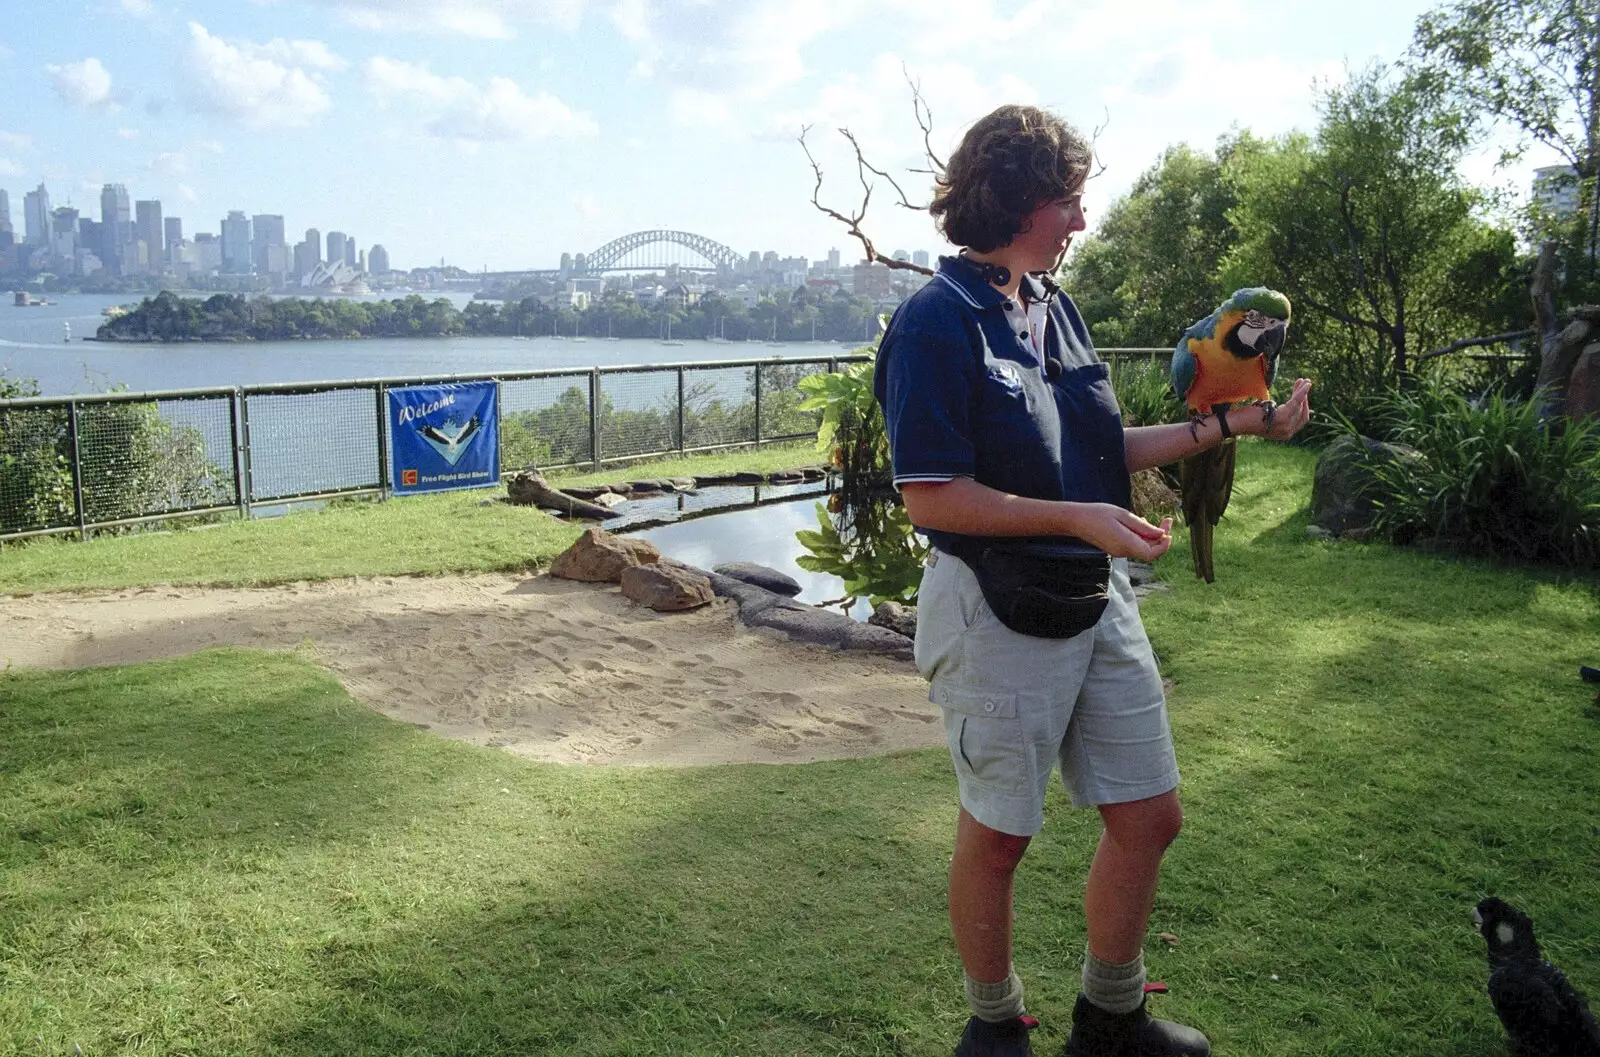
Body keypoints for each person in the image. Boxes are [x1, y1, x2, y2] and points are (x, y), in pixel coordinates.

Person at [872, 105, 1313, 1057]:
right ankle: (994, 1026)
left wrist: (1241, 424)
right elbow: (933, 497)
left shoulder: (1053, 307)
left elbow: (1098, 448)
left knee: (1150, 815)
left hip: (1092, 594)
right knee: (998, 837)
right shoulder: (935, 323)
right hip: (992, 605)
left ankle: (1111, 1017)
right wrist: (1075, 516)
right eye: (1068, 201)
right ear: (1021, 199)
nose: (1080, 220)